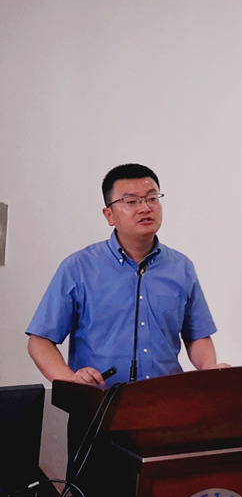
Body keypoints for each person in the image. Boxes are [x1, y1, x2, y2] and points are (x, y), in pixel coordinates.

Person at [26, 163, 228, 386]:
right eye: (131, 201)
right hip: (100, 401)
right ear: (109, 215)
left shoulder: (181, 267)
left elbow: (197, 335)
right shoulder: (79, 268)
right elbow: (40, 341)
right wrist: (71, 381)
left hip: (167, 399)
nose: (145, 208)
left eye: (152, 198)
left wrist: (209, 368)